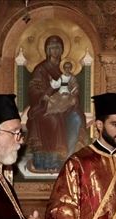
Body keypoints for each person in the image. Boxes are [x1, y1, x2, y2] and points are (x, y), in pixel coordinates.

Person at [27, 35, 86, 171]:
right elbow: (33, 89)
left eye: (58, 47)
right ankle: (49, 161)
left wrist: (73, 96)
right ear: (47, 50)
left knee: (77, 118)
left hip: (64, 105)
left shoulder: (63, 70)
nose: (55, 51)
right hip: (44, 107)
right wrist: (45, 95)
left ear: (62, 50)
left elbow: (73, 87)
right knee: (53, 120)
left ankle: (69, 157)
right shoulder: (41, 69)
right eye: (52, 48)